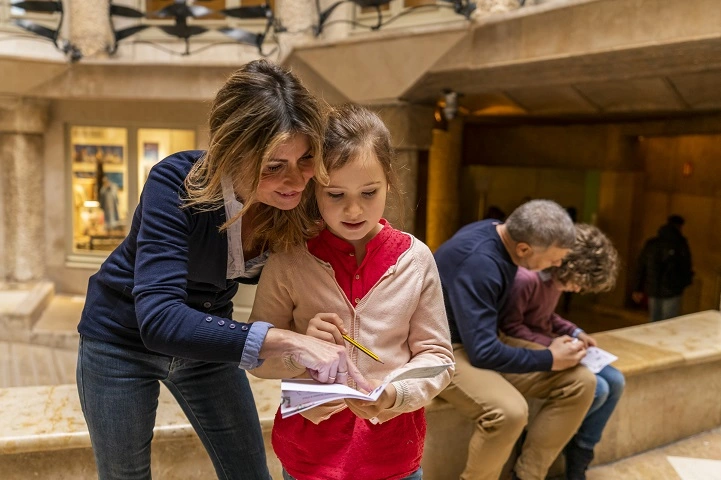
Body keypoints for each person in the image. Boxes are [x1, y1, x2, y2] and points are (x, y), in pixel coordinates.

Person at [75, 60, 370, 480]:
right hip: (120, 342)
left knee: (250, 472)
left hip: (209, 343)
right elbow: (158, 320)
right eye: (273, 165)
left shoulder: (302, 200)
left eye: (305, 159)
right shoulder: (176, 182)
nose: (295, 180)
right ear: (232, 151)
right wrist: (289, 340)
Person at [248, 104, 454, 480]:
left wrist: (396, 395)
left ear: (389, 183)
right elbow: (258, 359)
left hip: (393, 455)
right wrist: (299, 349)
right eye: (336, 194)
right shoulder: (290, 260)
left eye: (369, 192)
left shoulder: (416, 259)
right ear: (313, 190)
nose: (354, 209)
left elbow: (437, 356)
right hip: (310, 457)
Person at [434, 199, 597, 480]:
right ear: (524, 249)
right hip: (441, 349)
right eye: (554, 258)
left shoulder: (497, 232)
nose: (559, 264)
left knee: (581, 382)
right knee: (509, 412)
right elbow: (483, 353)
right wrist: (549, 358)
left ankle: (526, 476)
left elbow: (486, 339)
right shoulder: (480, 263)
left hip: (477, 339)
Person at [499, 224, 624, 480]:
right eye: (581, 283)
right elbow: (510, 327)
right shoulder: (527, 280)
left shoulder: (553, 282)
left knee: (616, 381)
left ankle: (581, 454)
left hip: (549, 345)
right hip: (525, 352)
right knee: (597, 389)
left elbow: (548, 317)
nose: (578, 291)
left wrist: (576, 332)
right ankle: (555, 438)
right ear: (571, 265)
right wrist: (551, 345)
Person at [632, 214, 694, 322]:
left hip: (653, 288)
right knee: (668, 322)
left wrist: (637, 288)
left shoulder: (651, 244)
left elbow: (641, 266)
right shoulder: (680, 244)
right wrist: (684, 283)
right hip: (672, 290)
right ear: (679, 226)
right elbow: (686, 267)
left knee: (654, 320)